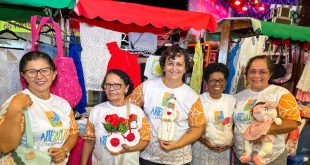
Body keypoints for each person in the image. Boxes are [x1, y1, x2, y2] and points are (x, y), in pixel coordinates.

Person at [128, 45, 206, 164]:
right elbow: (128, 108)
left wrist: (177, 144)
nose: (174, 68)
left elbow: (198, 128)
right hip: (148, 156)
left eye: (179, 64)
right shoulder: (147, 87)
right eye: (170, 63)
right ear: (163, 66)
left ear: (185, 69)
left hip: (179, 159)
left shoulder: (192, 97)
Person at [0, 51, 78, 164]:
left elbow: (73, 132)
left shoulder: (62, 104)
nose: (39, 76)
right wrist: (15, 108)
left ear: (54, 74)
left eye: (45, 70)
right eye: (32, 72)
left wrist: (64, 150)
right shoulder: (17, 101)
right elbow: (4, 146)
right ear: (23, 76)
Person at [233, 55, 301, 165]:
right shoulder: (238, 97)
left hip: (271, 159)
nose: (257, 76)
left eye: (262, 72)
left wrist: (260, 131)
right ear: (247, 74)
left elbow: (293, 122)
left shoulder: (281, 94)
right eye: (252, 71)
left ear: (270, 74)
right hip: (242, 158)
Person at [81, 69, 150, 165]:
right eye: (107, 85)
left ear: (126, 88)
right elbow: (89, 141)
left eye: (116, 85)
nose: (111, 89)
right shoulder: (96, 111)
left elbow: (145, 139)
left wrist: (131, 148)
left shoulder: (137, 112)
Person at [191, 63, 236, 165]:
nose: (217, 84)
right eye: (212, 80)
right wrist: (205, 142)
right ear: (206, 82)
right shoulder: (198, 101)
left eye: (221, 80)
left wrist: (231, 142)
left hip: (223, 152)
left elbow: (235, 125)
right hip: (202, 149)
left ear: (225, 82)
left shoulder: (231, 100)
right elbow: (191, 127)